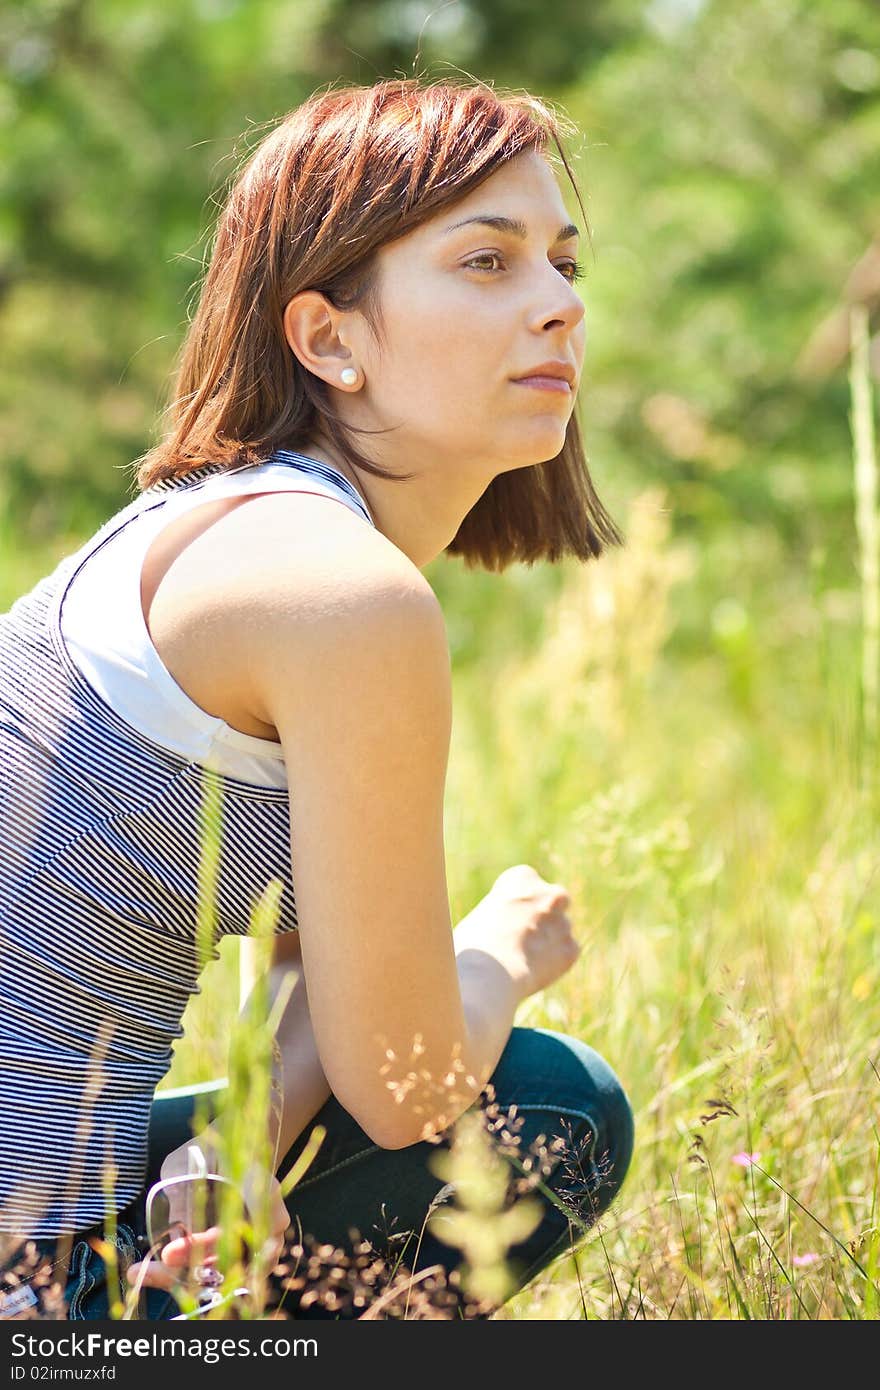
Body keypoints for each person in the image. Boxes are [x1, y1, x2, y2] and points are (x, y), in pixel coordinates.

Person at [0, 77, 633, 1322]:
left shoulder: (219, 533)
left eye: (559, 262)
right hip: (24, 1269)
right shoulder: (338, 594)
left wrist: (237, 1137)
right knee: (553, 1109)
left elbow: (313, 976)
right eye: (486, 261)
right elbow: (403, 1083)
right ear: (329, 339)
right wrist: (503, 954)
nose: (559, 303)